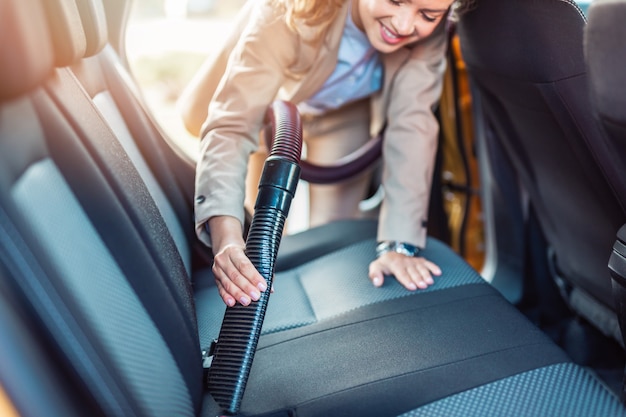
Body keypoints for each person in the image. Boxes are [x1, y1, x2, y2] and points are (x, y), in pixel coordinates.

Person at [184, 0, 470, 307]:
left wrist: (398, 246)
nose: (403, 25)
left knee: (331, 236)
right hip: (269, 107)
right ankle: (258, 290)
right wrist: (226, 240)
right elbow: (234, 126)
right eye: (396, 0)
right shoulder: (285, 10)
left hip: (343, 111)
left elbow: (412, 123)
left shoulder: (428, 32)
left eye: (428, 15)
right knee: (259, 232)